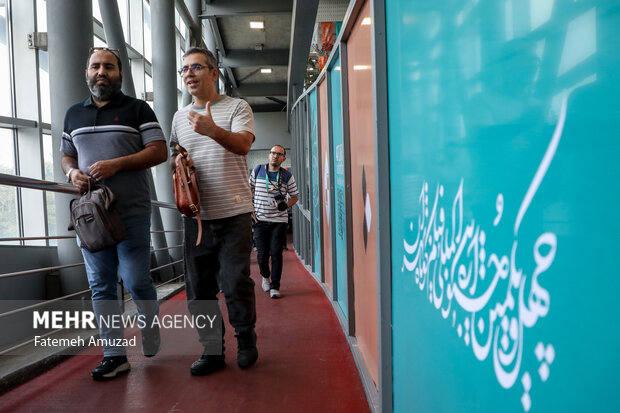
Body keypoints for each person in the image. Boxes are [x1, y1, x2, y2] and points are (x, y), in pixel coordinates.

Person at [61, 47, 168, 380]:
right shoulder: (73, 114)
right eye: (95, 66)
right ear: (86, 72)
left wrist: (116, 164)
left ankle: (149, 327)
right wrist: (71, 173)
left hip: (131, 210)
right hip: (91, 215)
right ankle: (114, 355)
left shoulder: (137, 109)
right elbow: (67, 155)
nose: (101, 72)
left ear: (120, 73)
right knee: (101, 285)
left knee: (136, 280)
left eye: (108, 66)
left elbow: (159, 151)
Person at [169, 47, 258, 376]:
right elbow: (174, 158)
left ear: (213, 72)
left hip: (234, 213)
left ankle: (246, 339)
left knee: (235, 282)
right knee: (199, 289)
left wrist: (211, 130)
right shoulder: (179, 117)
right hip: (197, 217)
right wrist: (179, 164)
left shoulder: (237, 107)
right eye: (184, 70)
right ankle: (212, 350)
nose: (188, 74)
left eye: (196, 67)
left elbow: (243, 145)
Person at [249, 146, 299, 298]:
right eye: (273, 153)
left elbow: (295, 196)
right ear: (268, 155)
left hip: (279, 221)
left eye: (279, 154)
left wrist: (286, 205)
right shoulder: (258, 170)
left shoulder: (287, 176)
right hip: (260, 220)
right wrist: (250, 210)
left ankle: (275, 286)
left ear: (283, 158)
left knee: (276, 253)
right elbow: (248, 190)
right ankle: (265, 276)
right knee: (262, 255)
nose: (275, 156)